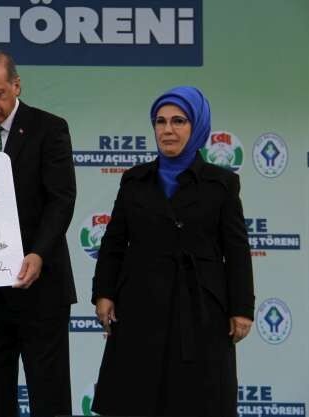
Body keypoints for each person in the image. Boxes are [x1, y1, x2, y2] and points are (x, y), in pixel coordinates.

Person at [91, 86, 255, 417]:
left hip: (201, 311)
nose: (168, 129)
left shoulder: (221, 184)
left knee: (198, 402)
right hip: (140, 307)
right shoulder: (135, 180)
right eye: (160, 121)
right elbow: (113, 242)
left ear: (197, 126)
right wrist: (103, 293)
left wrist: (242, 308)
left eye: (179, 121)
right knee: (136, 399)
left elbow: (237, 249)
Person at [0, 50, 77, 417]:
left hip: (40, 286)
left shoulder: (49, 128)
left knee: (49, 396)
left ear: (16, 85)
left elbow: (61, 199)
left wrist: (38, 253)